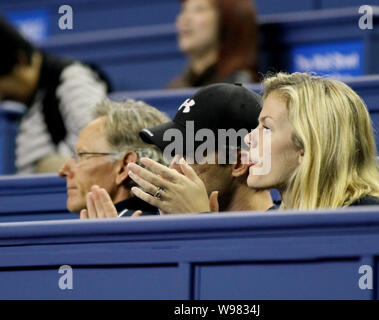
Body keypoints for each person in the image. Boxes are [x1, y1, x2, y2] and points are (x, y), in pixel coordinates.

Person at [245, 72, 379, 209]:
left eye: (267, 128)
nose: (248, 138)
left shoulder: (368, 219)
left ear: (305, 147)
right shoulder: (277, 226)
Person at [128, 83, 274, 213]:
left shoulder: (282, 235)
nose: (173, 167)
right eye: (175, 153)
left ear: (238, 163)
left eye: (190, 154)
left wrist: (198, 222)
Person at [0, 17, 110, 173]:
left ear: (21, 60)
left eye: (4, 91)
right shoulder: (23, 99)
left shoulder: (73, 79)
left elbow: (99, 153)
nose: (1, 98)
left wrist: (45, 168)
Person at [58, 99, 170, 218]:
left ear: (125, 167)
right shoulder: (166, 222)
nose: (63, 171)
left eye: (82, 155)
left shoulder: (134, 229)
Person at [168, 0, 259, 88]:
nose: (185, 18)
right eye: (184, 9)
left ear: (227, 18)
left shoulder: (239, 88)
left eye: (199, 9)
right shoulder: (175, 87)